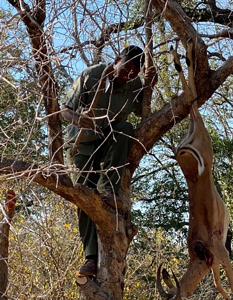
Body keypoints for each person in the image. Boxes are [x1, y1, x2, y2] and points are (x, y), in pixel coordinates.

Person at [61, 46, 157, 276]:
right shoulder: (92, 75)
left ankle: (109, 190)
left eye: (133, 74)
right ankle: (91, 258)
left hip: (107, 140)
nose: (127, 77)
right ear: (116, 61)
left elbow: (141, 110)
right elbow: (64, 109)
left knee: (126, 128)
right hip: (81, 144)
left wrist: (148, 87)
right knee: (85, 195)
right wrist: (78, 119)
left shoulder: (134, 84)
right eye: (125, 70)